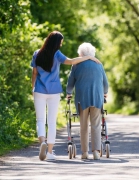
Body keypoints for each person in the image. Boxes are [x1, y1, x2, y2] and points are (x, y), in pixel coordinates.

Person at [31, 31, 101, 161]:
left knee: (40, 120)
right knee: (51, 121)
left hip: (39, 90)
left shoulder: (37, 53)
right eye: (61, 43)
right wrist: (89, 57)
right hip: (54, 91)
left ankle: (42, 143)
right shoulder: (57, 54)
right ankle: (50, 152)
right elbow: (71, 61)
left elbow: (34, 73)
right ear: (56, 42)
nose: (61, 45)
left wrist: (33, 87)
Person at [66, 42, 109, 160]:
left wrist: (68, 93)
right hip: (97, 98)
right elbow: (105, 83)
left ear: (81, 54)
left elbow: (70, 83)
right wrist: (105, 93)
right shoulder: (99, 65)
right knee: (96, 125)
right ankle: (95, 151)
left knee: (83, 125)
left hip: (82, 99)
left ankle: (85, 152)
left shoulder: (76, 65)